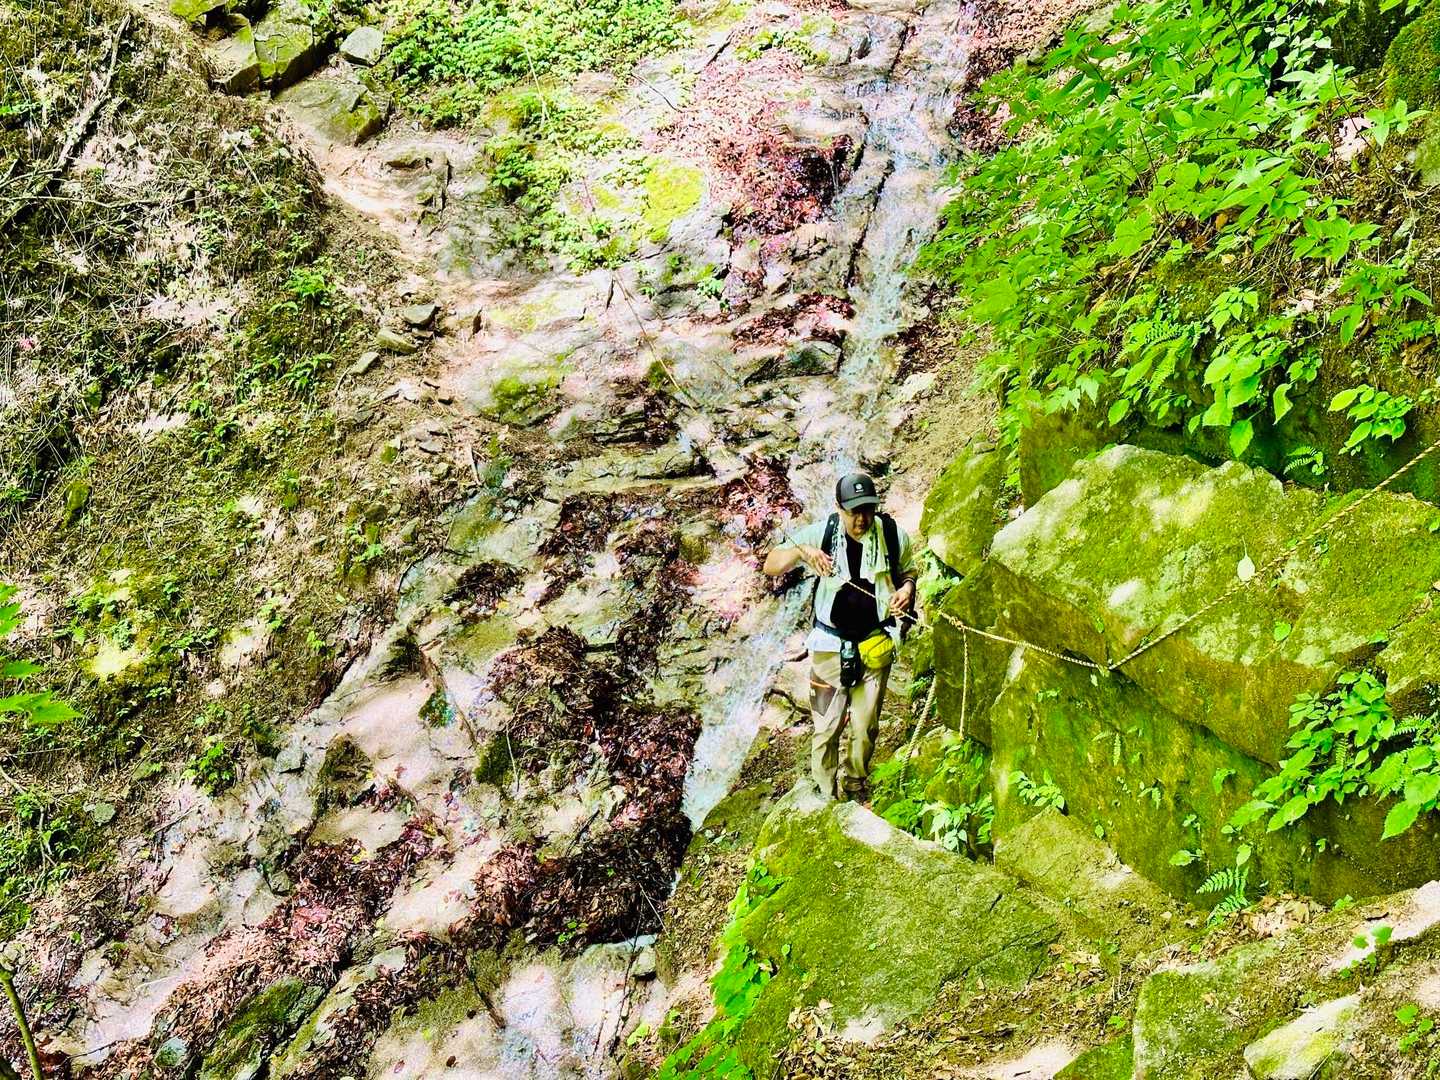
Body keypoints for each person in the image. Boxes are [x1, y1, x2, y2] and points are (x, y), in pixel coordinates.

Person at [762, 472, 917, 801]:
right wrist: (803, 552)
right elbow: (771, 565)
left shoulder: (892, 535)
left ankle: (855, 784)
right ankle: (825, 795)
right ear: (839, 508)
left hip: (875, 645)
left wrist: (906, 588)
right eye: (853, 511)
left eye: (867, 510)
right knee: (826, 728)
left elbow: (908, 571)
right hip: (828, 650)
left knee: (866, 727)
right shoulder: (823, 533)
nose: (861, 519)